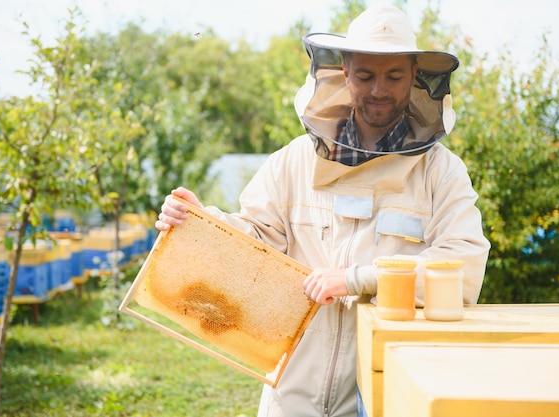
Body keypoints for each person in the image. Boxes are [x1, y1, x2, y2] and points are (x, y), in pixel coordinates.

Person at [155, 3, 490, 416]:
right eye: (366, 75)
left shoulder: (441, 172)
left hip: (382, 394)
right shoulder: (293, 161)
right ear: (344, 71)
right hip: (291, 390)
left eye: (394, 76)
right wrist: (202, 221)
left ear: (416, 76)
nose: (379, 90)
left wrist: (357, 279)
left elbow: (463, 269)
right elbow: (256, 240)